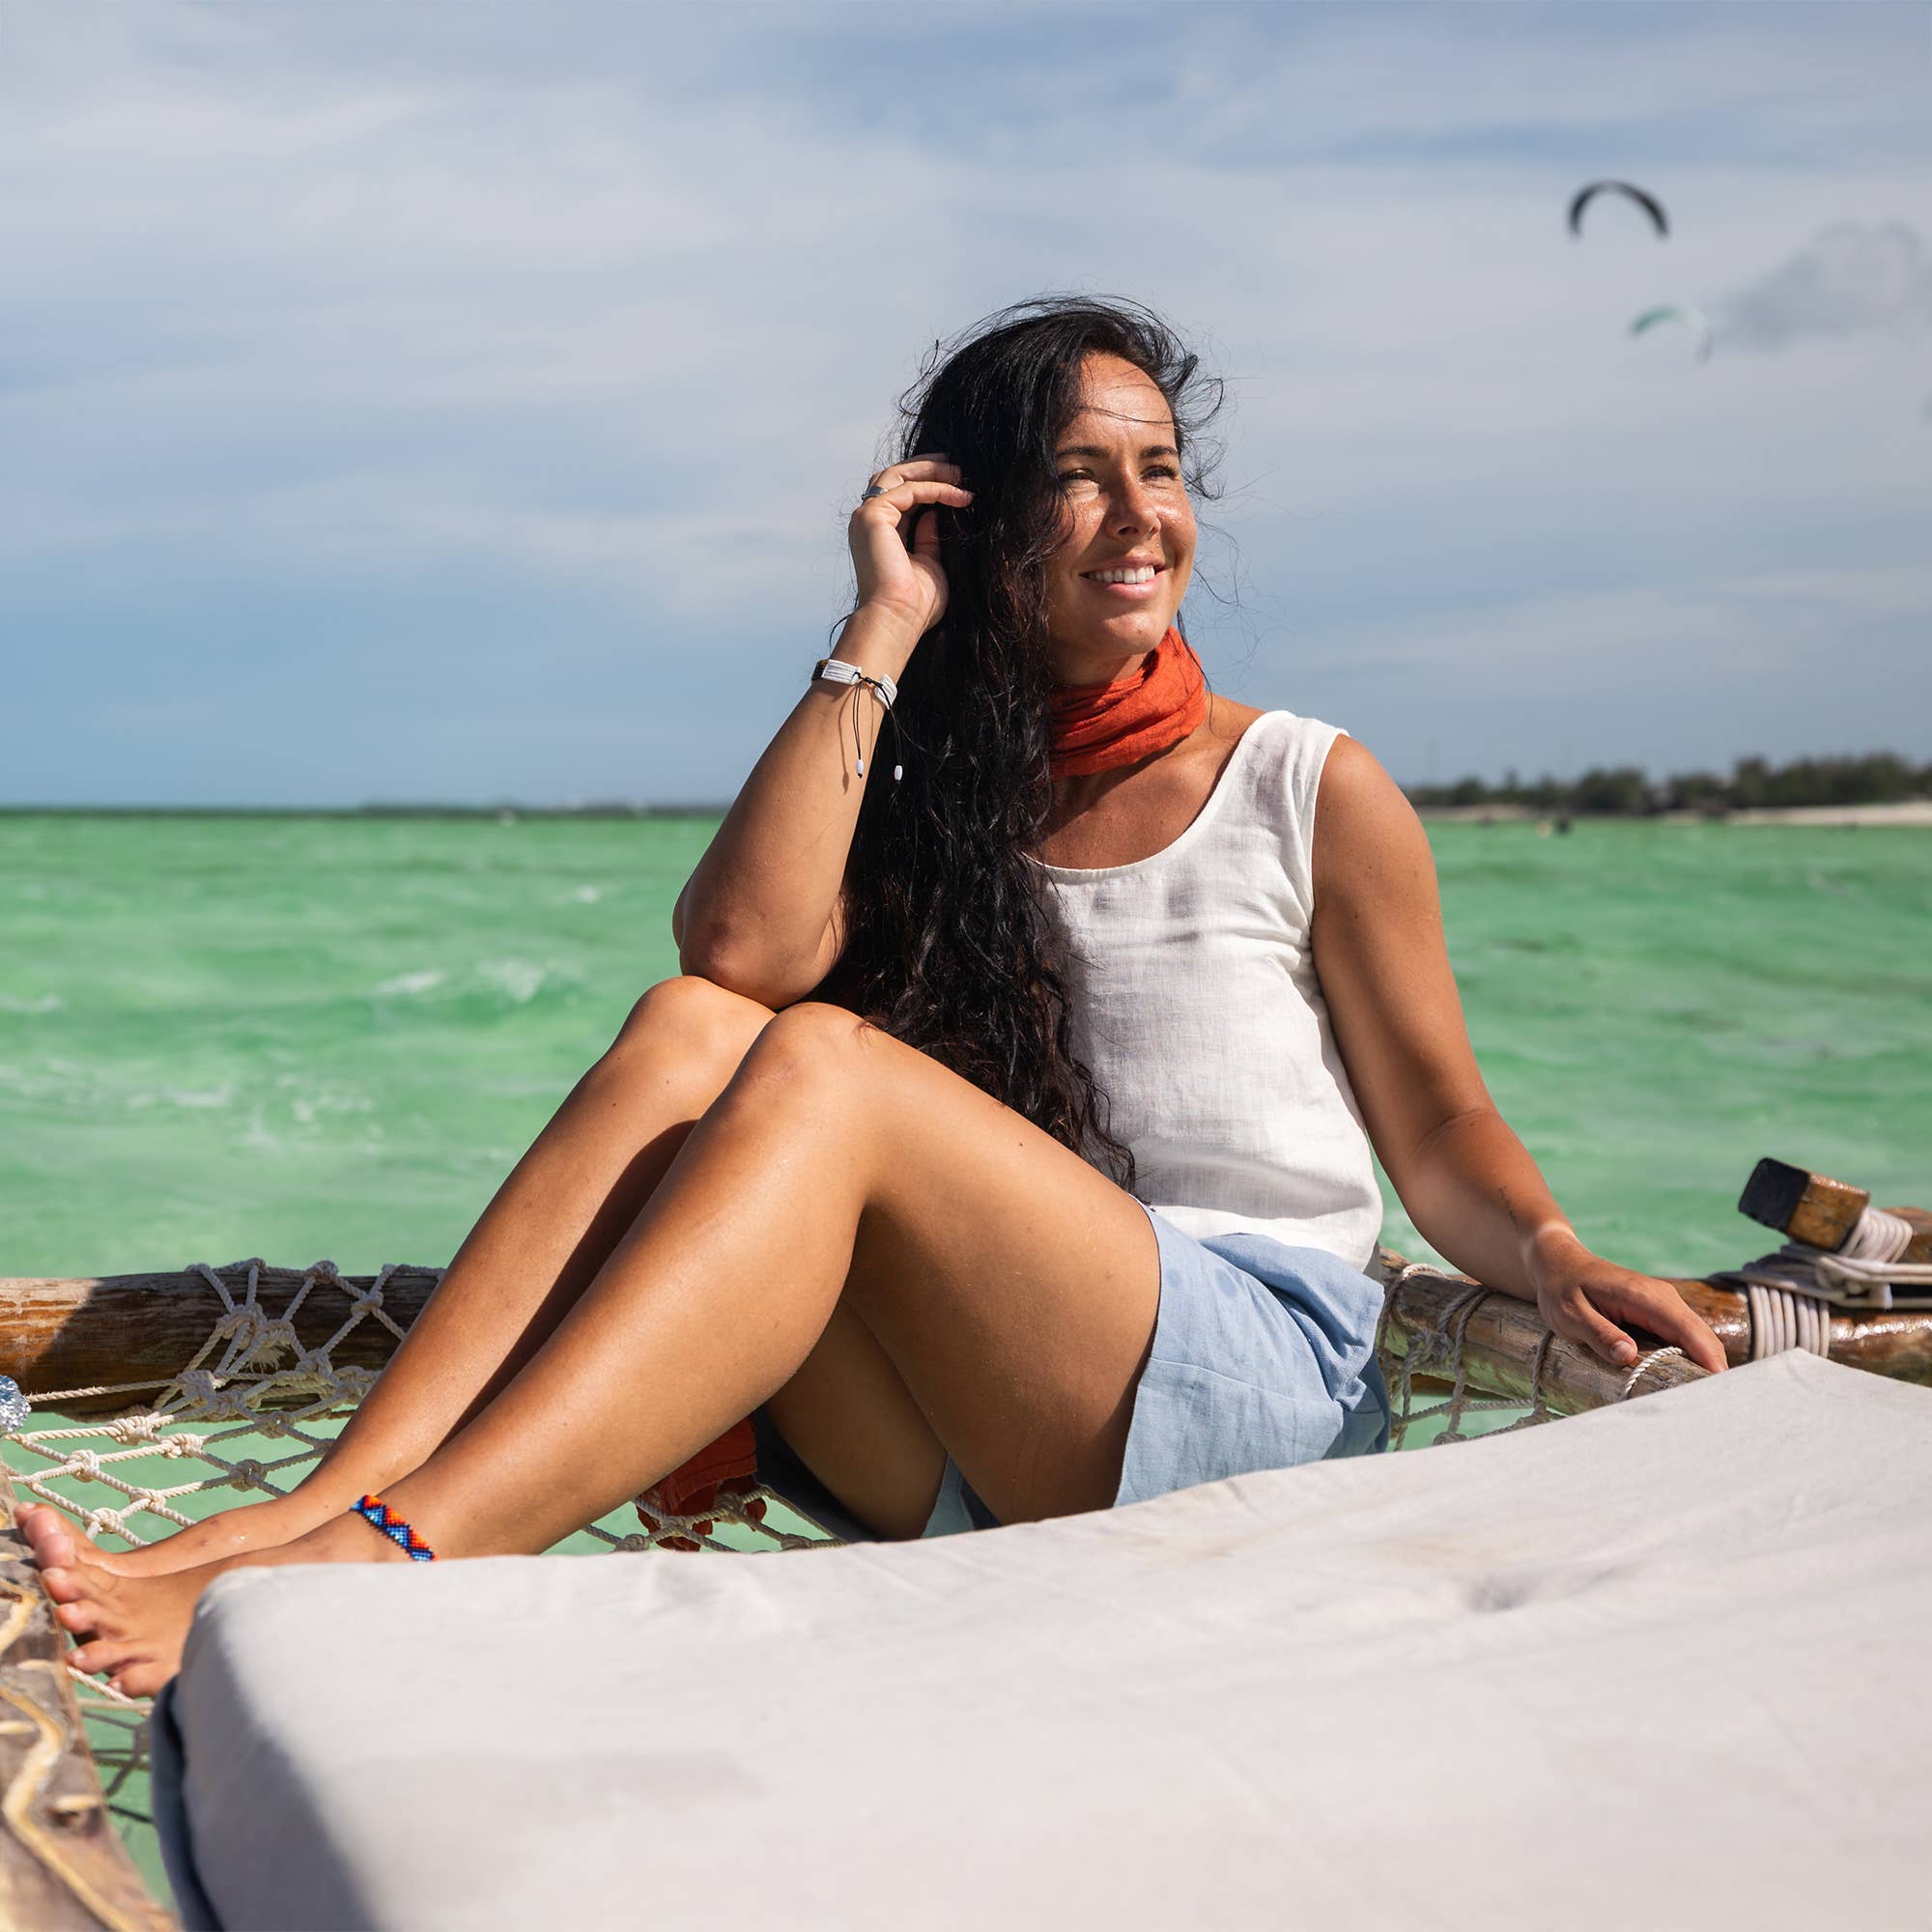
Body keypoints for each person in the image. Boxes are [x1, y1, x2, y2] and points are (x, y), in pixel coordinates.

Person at [22, 297, 1726, 1693]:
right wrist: (883, 623)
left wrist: (1552, 1249)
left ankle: (391, 1555)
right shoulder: (933, 796)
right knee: (702, 1034)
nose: (1140, 516)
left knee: (826, 1066)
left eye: (1161, 471)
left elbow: (1438, 1120)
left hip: (1244, 1397)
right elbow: (731, 956)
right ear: (975, 525)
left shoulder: (1304, 785)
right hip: (971, 1432)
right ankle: (316, 1511)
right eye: (1079, 478)